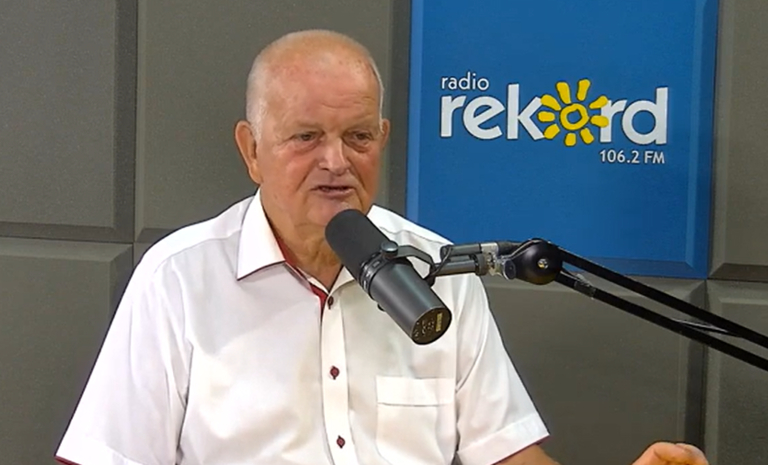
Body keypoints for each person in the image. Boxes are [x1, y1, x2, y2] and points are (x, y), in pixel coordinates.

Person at [54, 29, 708, 465]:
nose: (336, 162)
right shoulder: (178, 279)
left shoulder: (440, 269)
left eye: (358, 137)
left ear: (384, 139)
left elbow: (506, 454)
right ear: (251, 150)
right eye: (305, 137)